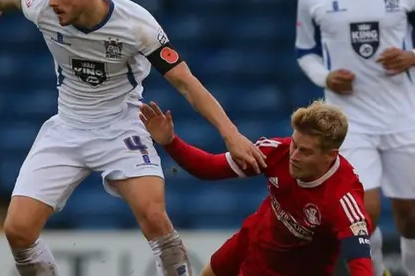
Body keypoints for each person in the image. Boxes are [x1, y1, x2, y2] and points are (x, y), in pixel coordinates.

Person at [0, 0, 267, 276]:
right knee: (17, 230)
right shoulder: (42, 5)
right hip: (67, 127)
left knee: (155, 217)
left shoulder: (136, 25)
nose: (52, 1)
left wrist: (231, 135)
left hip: (121, 126)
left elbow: (187, 83)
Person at [294, 0, 415, 274]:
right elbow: (305, 51)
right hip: (348, 121)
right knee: (364, 212)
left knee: (410, 218)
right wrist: (326, 77)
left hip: (402, 115)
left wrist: (411, 57)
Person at [140, 99, 374, 276]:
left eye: (306, 151)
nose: (294, 155)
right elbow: (209, 168)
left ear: (330, 156)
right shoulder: (276, 151)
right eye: (295, 144)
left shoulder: (343, 198)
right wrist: (170, 141)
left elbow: (360, 262)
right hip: (249, 241)